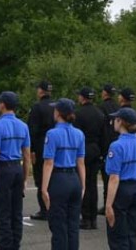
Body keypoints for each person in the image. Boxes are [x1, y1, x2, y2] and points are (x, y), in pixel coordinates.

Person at [0, 91, 32, 250]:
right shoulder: (23, 126)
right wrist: (25, 177)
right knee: (16, 213)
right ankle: (15, 245)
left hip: (3, 169)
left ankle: (6, 246)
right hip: (17, 168)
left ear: (3, 105)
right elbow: (26, 155)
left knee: (3, 213)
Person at [42, 98, 87, 250]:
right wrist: (83, 185)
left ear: (59, 113)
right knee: (73, 225)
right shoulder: (79, 133)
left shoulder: (52, 133)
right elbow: (81, 162)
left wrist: (44, 188)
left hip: (59, 179)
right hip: (74, 178)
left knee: (59, 225)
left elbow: (49, 162)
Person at [104, 107, 136, 250]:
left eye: (115, 119)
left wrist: (108, 204)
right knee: (131, 234)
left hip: (121, 189)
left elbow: (114, 178)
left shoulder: (116, 146)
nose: (113, 122)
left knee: (117, 235)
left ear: (121, 122)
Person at [74, 87, 105, 230]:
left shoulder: (78, 114)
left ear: (83, 97)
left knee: (83, 183)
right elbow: (104, 134)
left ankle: (86, 217)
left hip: (83, 148)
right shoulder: (100, 113)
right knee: (92, 184)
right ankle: (93, 218)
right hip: (96, 148)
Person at [28, 80, 55, 221]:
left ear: (41, 91)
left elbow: (33, 129)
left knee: (41, 177)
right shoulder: (57, 106)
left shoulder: (37, 107)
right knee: (54, 177)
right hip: (57, 145)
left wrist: (31, 149)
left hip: (41, 146)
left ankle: (44, 209)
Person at [98, 84, 120, 216]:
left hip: (107, 145)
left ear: (105, 93)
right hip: (119, 142)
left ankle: (108, 202)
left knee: (108, 177)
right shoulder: (118, 107)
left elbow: (102, 128)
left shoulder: (101, 108)